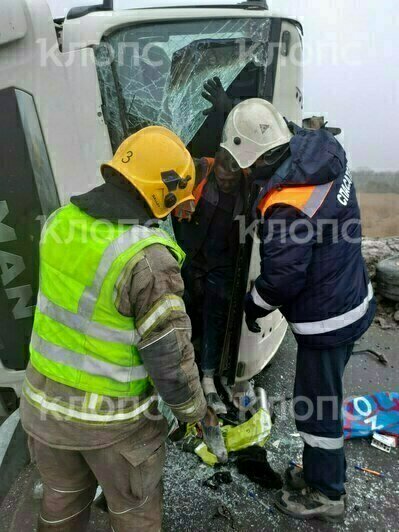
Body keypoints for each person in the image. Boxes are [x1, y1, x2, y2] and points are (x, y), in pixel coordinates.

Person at [20, 126, 226, 532]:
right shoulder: (148, 259)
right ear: (162, 193)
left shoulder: (60, 221)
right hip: (112, 428)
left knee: (61, 506)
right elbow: (170, 358)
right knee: (135, 516)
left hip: (43, 412)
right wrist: (194, 414)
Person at [219, 99, 376, 522]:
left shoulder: (286, 204)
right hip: (350, 295)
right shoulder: (321, 150)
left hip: (328, 319)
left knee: (316, 407)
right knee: (322, 398)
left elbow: (284, 278)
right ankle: (322, 475)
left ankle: (326, 493)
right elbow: (285, 131)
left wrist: (254, 304)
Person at [173, 149, 249, 414]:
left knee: (215, 316)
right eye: (222, 179)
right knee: (181, 310)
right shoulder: (198, 171)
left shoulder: (249, 183)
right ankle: (180, 371)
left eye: (232, 181)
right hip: (191, 254)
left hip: (223, 261)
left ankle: (209, 378)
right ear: (215, 168)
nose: (227, 184)